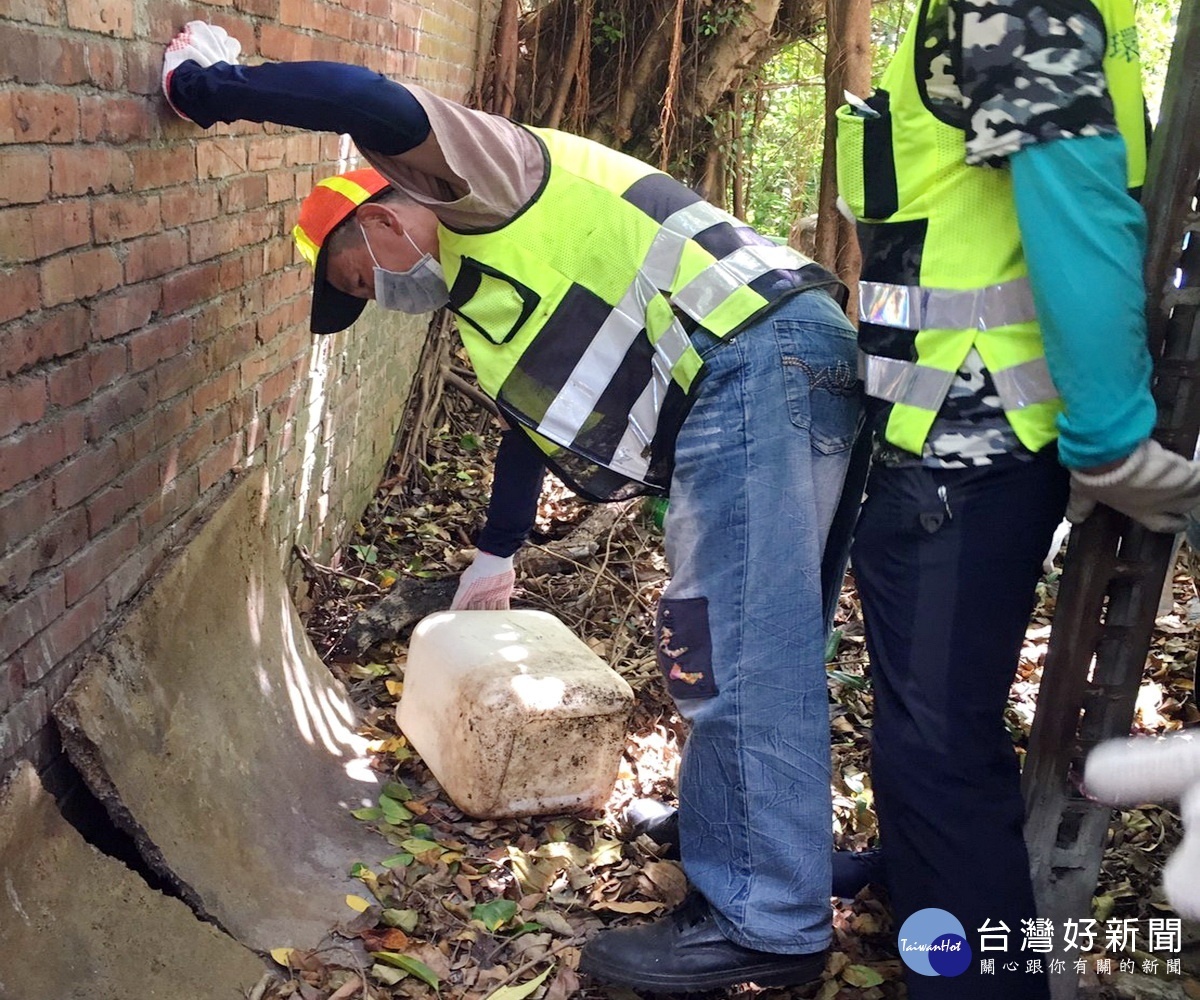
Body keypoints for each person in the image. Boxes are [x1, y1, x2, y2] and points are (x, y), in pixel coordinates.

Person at [161, 23, 863, 992]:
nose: (381, 296)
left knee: (737, 649)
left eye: (360, 278)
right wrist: (496, 554)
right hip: (756, 376)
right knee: (742, 642)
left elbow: (367, 99)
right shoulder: (483, 301)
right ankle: (741, 845)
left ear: (378, 216)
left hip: (754, 356)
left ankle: (768, 929)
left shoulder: (478, 181)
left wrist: (210, 86)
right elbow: (535, 431)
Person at [835, 2, 1200, 998]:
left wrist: (1109, 430)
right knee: (931, 718)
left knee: (939, 745)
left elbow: (1075, 196)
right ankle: (920, 897)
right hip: (977, 429)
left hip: (962, 430)